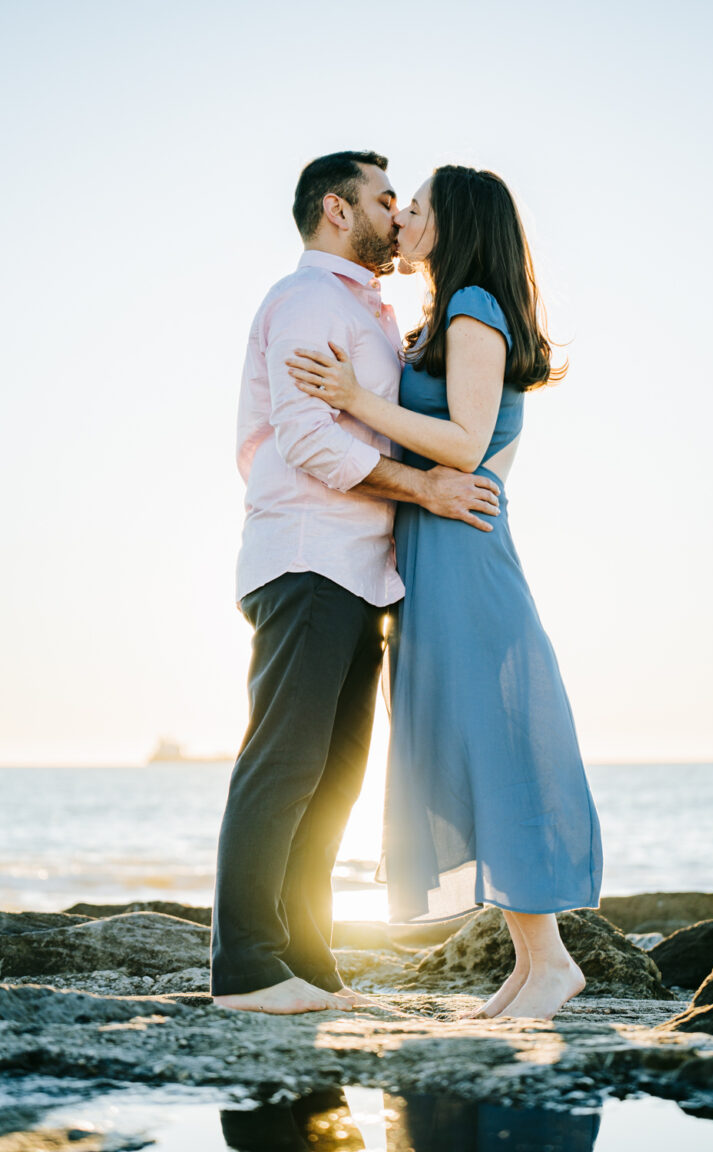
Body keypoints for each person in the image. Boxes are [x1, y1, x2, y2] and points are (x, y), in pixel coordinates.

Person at [287, 164, 603, 1020]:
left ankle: (549, 963)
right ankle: (533, 962)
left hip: (463, 555)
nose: (402, 218)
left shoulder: (472, 310)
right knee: (470, 747)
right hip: (438, 553)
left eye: (416, 208)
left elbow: (465, 444)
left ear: (452, 223)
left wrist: (354, 397)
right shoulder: (450, 313)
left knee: (493, 748)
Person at [210, 152, 501, 1016]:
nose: (398, 214)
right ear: (338, 210)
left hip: (361, 570)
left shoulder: (370, 313)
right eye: (385, 200)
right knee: (283, 761)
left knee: (334, 773)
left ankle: (308, 963)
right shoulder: (305, 301)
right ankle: (247, 969)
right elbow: (307, 441)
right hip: (306, 557)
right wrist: (425, 488)